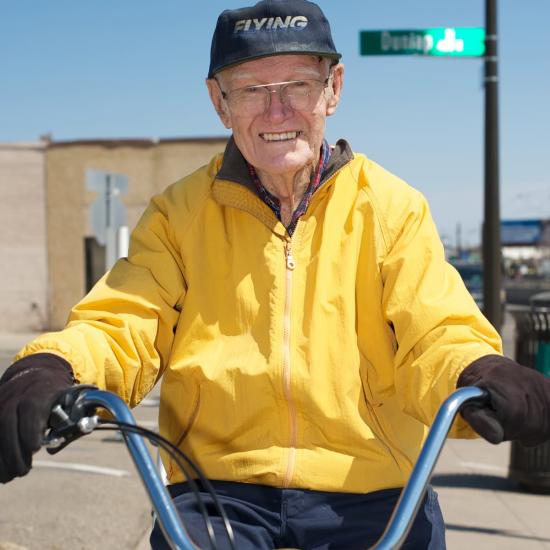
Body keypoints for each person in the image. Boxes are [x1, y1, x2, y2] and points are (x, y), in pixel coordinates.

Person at [1, 1, 549, 548]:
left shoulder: (390, 207)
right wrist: (53, 365)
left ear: (333, 88)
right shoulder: (179, 214)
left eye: (297, 86)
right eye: (251, 90)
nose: (277, 111)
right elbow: (125, 319)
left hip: (375, 488)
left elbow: (433, 328)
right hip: (221, 489)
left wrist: (479, 368)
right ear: (220, 103)